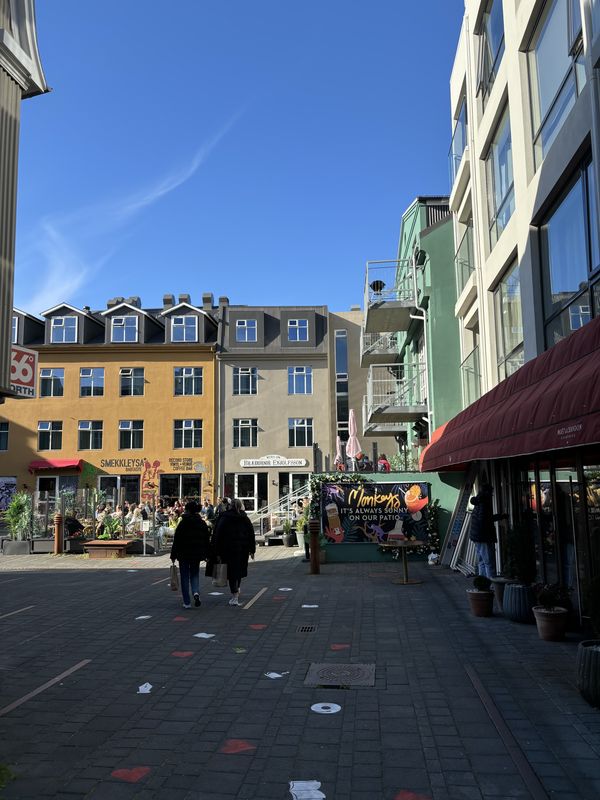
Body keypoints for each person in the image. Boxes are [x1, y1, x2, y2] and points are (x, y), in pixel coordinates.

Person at [211, 497, 256, 606]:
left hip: (228, 549)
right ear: (240, 506)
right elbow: (251, 534)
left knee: (231, 572)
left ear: (229, 506)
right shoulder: (244, 518)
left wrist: (216, 551)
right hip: (242, 548)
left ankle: (235, 594)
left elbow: (218, 534)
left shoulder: (224, 517)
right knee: (238, 570)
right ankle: (237, 589)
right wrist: (252, 550)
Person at [170, 500, 211, 609]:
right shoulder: (201, 523)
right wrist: (207, 554)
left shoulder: (183, 523)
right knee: (194, 574)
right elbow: (206, 540)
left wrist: (173, 555)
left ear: (187, 510)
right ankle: (196, 592)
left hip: (183, 554)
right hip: (196, 554)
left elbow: (177, 540)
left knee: (184, 576)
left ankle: (187, 602)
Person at [469, 483, 506, 579]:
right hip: (483, 536)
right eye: (491, 492)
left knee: (482, 561)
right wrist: (500, 516)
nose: (492, 494)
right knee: (489, 562)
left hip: (477, 535)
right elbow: (484, 519)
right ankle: (492, 584)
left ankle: (483, 584)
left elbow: (483, 518)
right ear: (488, 492)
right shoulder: (484, 502)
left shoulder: (479, 500)